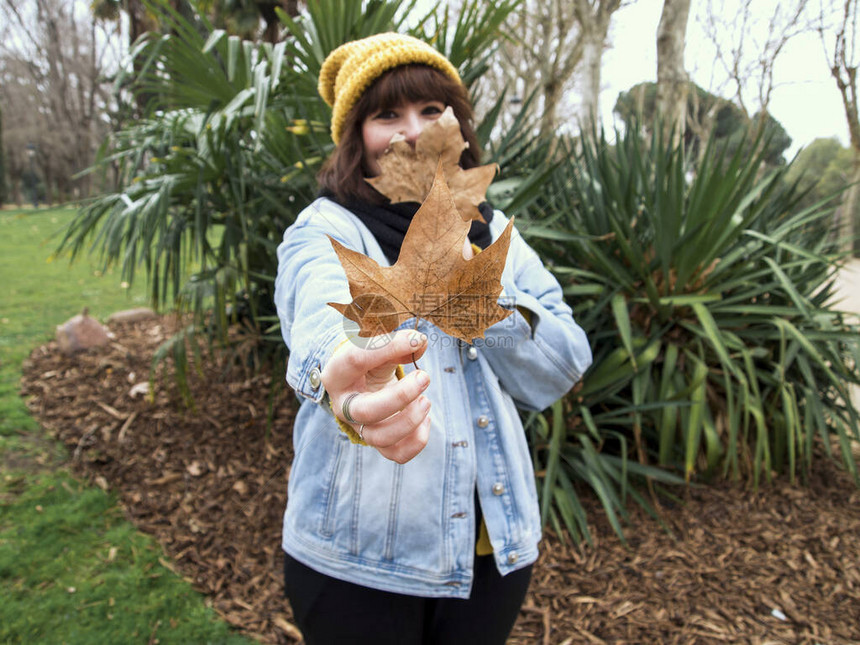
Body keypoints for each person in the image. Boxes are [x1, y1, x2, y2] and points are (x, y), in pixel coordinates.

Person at [273, 32, 592, 644]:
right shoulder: (328, 227)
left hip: (491, 550)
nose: (412, 131)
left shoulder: (493, 232)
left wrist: (475, 286)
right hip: (356, 564)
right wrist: (341, 371)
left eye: (430, 110)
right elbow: (317, 306)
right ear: (354, 137)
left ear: (458, 124)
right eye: (386, 114)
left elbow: (562, 363)